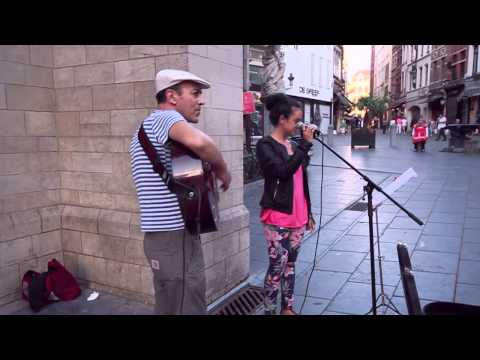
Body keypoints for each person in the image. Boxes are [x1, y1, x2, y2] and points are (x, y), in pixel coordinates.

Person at [129, 69, 232, 315]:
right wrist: (222, 170)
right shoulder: (165, 119)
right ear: (172, 97)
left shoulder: (144, 130)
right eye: (195, 93)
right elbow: (202, 143)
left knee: (169, 304)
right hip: (175, 237)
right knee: (189, 303)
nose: (201, 100)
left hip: (159, 237)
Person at [256, 93, 316, 315]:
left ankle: (287, 308)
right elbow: (282, 172)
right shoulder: (266, 145)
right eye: (295, 121)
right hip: (278, 216)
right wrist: (304, 147)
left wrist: (308, 211)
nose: (298, 125)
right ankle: (270, 311)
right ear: (282, 119)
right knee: (277, 267)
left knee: (291, 266)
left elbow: (302, 180)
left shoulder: (293, 145)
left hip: (298, 216)